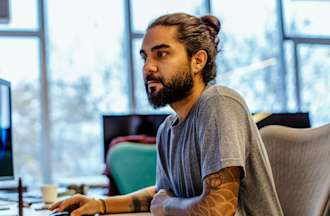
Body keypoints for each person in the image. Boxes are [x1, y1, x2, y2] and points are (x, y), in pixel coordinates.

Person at [49, 13, 284, 216]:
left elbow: (217, 210)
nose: (148, 67)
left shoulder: (218, 103)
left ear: (198, 61)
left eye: (161, 54)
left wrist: (167, 205)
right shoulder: (168, 129)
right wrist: (99, 204)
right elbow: (161, 196)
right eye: (145, 57)